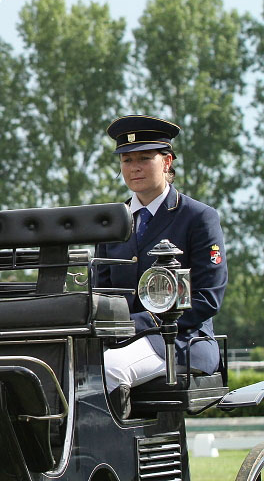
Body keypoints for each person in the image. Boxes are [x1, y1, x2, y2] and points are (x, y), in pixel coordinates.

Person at [93, 115, 227, 417]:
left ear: (167, 162)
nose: (134, 167)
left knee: (108, 370)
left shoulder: (198, 217)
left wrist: (141, 323)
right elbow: (101, 292)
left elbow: (208, 297)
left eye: (144, 158)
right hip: (118, 338)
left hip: (181, 340)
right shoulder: (112, 221)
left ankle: (112, 456)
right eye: (126, 160)